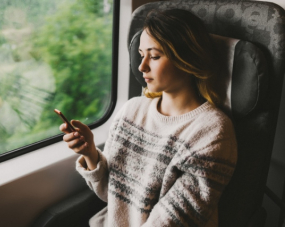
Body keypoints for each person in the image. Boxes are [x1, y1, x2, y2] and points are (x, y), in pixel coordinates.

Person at [60, 8, 237, 227]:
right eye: (142, 55)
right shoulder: (131, 111)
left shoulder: (212, 132)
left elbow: (172, 221)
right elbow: (112, 195)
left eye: (154, 56)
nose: (141, 66)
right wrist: (90, 153)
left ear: (187, 58)